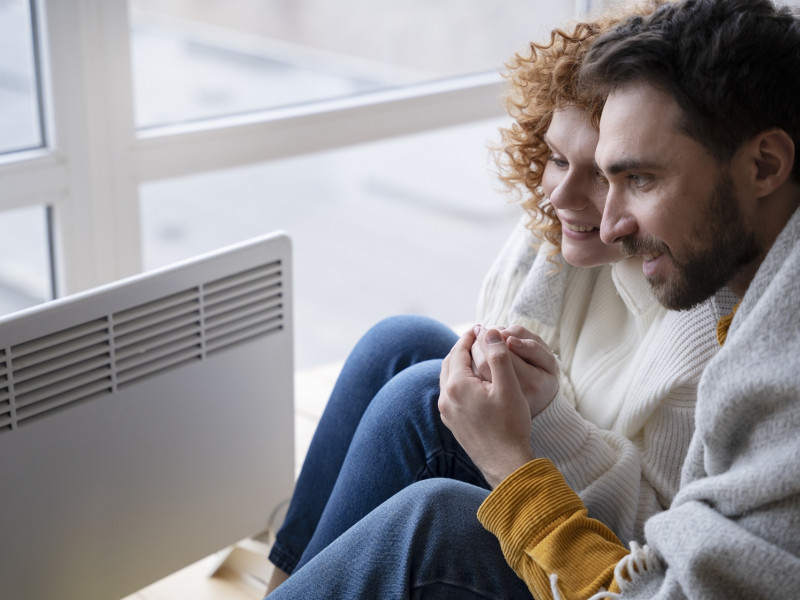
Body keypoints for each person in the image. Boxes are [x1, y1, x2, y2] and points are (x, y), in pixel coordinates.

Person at [265, 2, 735, 597]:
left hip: (602, 549)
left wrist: (545, 420)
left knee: (418, 400)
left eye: (604, 174)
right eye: (558, 159)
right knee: (401, 342)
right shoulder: (553, 245)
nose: (561, 194)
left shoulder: (698, 319)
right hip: (549, 492)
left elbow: (651, 542)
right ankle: (283, 585)